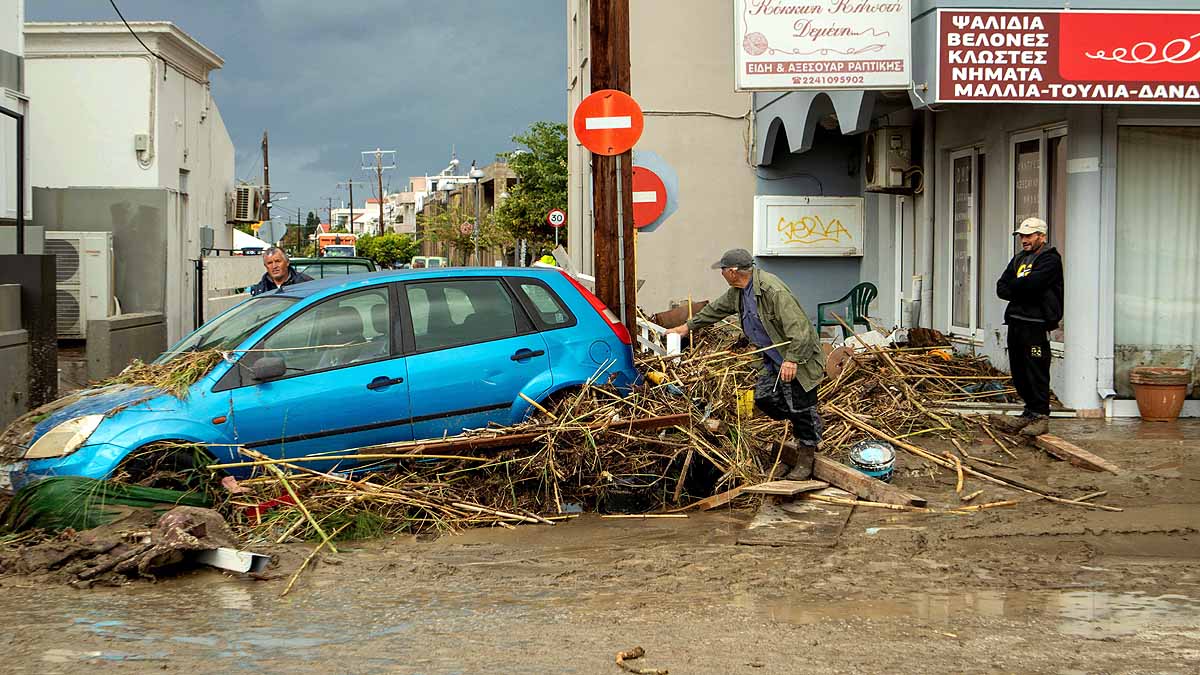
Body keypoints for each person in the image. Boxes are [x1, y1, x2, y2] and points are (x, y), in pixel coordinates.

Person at [666, 248, 825, 480]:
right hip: (773, 360)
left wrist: (792, 359)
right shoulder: (739, 291)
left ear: (732, 272)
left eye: (722, 269)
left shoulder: (773, 291)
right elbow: (716, 310)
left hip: (797, 359)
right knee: (765, 398)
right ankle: (808, 429)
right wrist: (686, 327)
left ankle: (806, 458)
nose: (721, 273)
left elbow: (800, 328)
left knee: (800, 406)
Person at [994, 217, 1063, 437]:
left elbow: (1034, 285)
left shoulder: (1050, 259)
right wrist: (1021, 288)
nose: (1024, 240)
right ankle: (1029, 411)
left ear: (1041, 236)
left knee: (1036, 365)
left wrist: (1019, 288)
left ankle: (1041, 413)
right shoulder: (1019, 259)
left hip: (1036, 326)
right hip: (1016, 322)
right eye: (1022, 236)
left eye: (1029, 235)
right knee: (1019, 368)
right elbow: (1001, 287)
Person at [249, 247, 313, 296]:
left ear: (287, 262)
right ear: (265, 266)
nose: (274, 266)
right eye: (270, 263)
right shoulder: (260, 289)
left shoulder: (306, 284)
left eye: (278, 261)